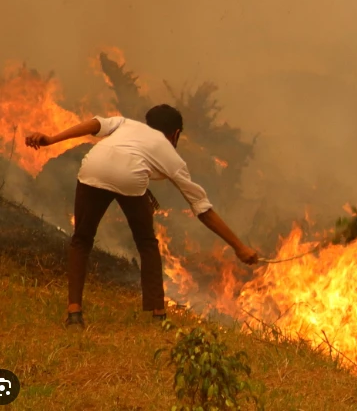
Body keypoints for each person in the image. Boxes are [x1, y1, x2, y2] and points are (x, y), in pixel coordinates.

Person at [25, 104, 260, 328]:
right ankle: (158, 314)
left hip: (93, 168)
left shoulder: (125, 123)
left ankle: (74, 312)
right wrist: (239, 247)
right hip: (130, 178)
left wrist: (51, 139)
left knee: (81, 240)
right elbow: (202, 208)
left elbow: (95, 124)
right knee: (147, 243)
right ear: (175, 134)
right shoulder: (170, 154)